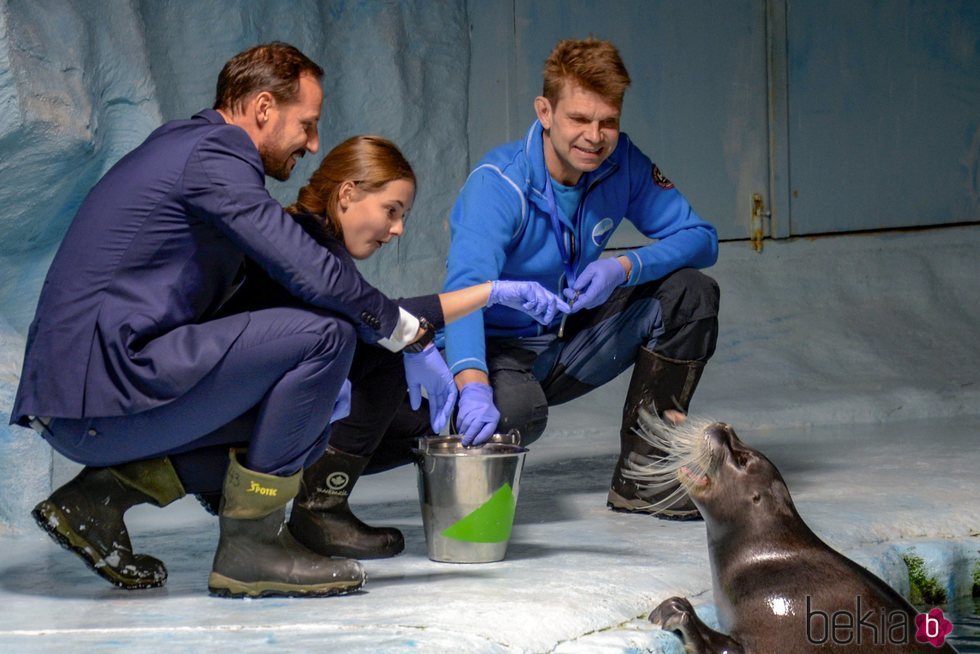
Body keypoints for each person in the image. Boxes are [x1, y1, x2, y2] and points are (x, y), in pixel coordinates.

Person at [10, 42, 563, 599]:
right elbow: (311, 275)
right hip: (102, 392)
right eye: (308, 123)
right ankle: (253, 548)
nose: (315, 142)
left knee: (304, 404)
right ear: (264, 108)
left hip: (94, 395)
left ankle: (99, 499)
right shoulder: (216, 152)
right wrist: (411, 335)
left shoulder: (187, 148)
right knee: (325, 338)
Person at [209, 134, 569, 561]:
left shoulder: (315, 241)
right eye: (391, 211)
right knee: (386, 354)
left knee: (423, 423)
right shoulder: (303, 244)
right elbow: (377, 317)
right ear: (347, 193)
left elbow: (374, 315)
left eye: (403, 216)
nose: (398, 229)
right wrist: (488, 293)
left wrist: (419, 344)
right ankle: (317, 510)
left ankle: (320, 504)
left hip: (255, 415)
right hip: (226, 424)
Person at [441, 37, 721, 520]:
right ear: (545, 111)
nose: (595, 137)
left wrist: (625, 266)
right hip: (498, 351)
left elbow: (702, 238)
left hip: (566, 338)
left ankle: (644, 477)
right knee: (515, 415)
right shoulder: (499, 183)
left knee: (691, 294)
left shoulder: (622, 162)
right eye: (579, 119)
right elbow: (462, 294)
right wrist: (472, 386)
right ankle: (463, 430)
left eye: (607, 121)